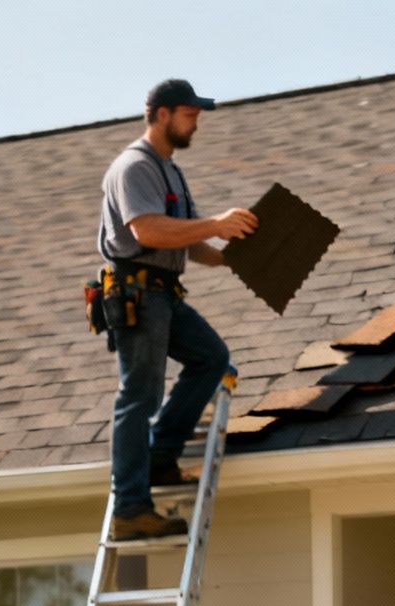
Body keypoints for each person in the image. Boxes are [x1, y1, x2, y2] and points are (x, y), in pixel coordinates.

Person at [97, 78, 258, 540]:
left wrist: (236, 253)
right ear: (163, 114)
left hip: (163, 293)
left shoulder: (171, 171)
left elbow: (186, 240)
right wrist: (215, 223)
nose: (196, 121)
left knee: (211, 359)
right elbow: (148, 231)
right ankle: (130, 506)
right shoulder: (134, 167)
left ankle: (160, 459)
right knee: (139, 396)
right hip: (137, 293)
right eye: (190, 113)